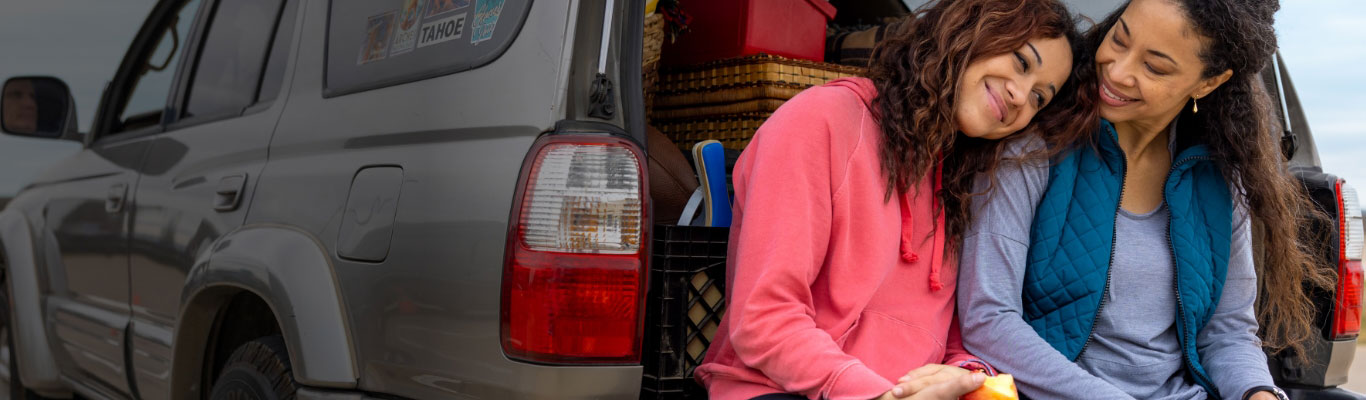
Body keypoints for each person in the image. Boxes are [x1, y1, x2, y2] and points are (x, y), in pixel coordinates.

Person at [693, 0, 1096, 399]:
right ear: (970, 28)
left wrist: (966, 376)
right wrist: (879, 395)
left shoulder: (960, 182)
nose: (1020, 95)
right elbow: (763, 320)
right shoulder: (821, 120)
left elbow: (954, 342)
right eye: (1022, 62)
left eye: (1040, 98)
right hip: (779, 390)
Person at [957, 0, 1328, 399]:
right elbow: (989, 320)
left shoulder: (1220, 182)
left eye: (1154, 67)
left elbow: (1229, 333)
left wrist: (1260, 393)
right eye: (1119, 39)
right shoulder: (1033, 152)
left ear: (1208, 82)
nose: (1117, 72)